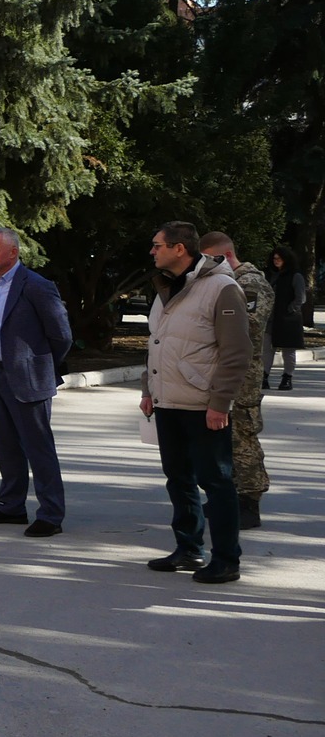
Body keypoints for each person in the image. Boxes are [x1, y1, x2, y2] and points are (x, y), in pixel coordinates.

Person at [142, 221, 252, 584]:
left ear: (179, 249)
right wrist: (147, 390)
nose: (152, 251)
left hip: (204, 405)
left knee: (216, 482)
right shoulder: (165, 286)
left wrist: (220, 403)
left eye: (157, 245)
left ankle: (226, 559)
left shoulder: (222, 288)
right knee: (178, 479)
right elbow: (157, 342)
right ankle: (188, 548)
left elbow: (236, 352)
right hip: (168, 402)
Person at [0, 227, 74, 537]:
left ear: (13, 252)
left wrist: (39, 364)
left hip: (28, 378)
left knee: (38, 448)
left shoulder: (37, 286)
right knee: (6, 446)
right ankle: (11, 506)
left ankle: (51, 515)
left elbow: (61, 334)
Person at [200, 232, 271, 530]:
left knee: (243, 437)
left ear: (226, 256)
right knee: (222, 439)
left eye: (209, 260)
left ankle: (249, 501)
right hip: (220, 372)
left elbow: (247, 329)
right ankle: (225, 496)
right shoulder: (223, 282)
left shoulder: (250, 283)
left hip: (243, 376)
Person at [265, 246, 307, 392]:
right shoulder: (271, 275)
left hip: (288, 319)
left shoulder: (295, 276)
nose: (276, 261)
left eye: (279, 258)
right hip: (271, 319)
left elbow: (300, 298)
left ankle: (287, 377)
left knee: (288, 350)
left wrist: (290, 309)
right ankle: (264, 376)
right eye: (274, 258)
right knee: (267, 349)